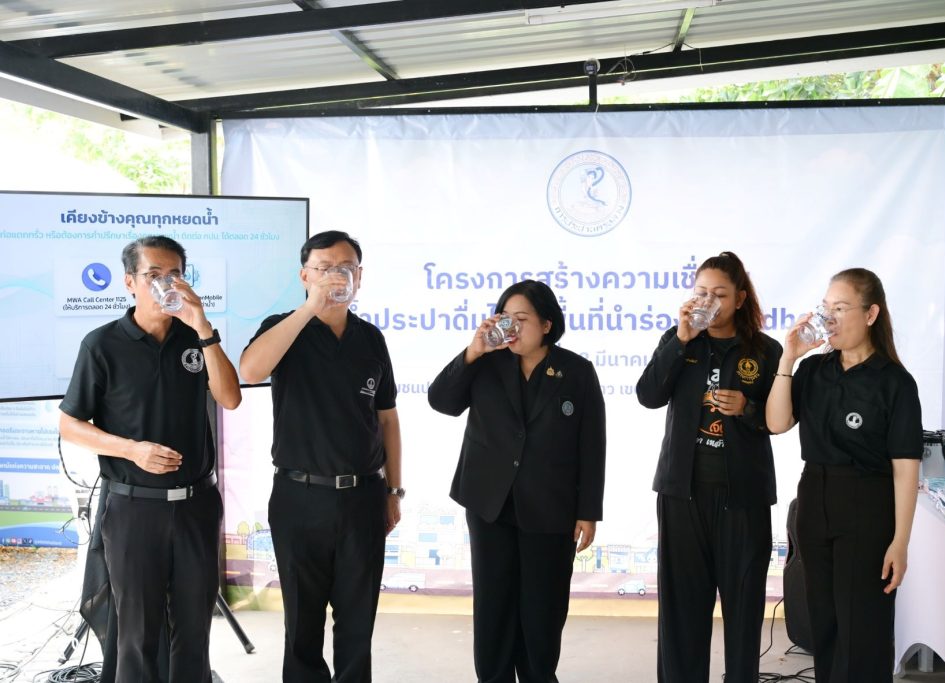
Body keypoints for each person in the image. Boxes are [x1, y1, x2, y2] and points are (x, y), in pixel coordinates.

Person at [59, 235, 242, 683]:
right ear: (129, 282)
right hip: (134, 507)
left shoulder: (195, 337)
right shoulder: (102, 344)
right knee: (137, 633)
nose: (166, 284)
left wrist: (203, 326)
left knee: (195, 629)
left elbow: (230, 398)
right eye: (153, 275)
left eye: (175, 274)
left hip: (197, 504)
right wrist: (131, 449)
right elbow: (70, 425)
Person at [239, 230, 402, 683]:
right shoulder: (283, 326)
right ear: (304, 275)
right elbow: (250, 369)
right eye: (325, 268)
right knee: (302, 621)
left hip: (363, 496)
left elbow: (387, 419)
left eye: (345, 268)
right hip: (299, 495)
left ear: (360, 276)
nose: (336, 276)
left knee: (358, 620)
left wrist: (394, 490)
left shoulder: (370, 338)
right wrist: (310, 308)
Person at [427, 279, 606, 683]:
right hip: (490, 504)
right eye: (505, 317)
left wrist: (588, 510)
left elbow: (592, 445)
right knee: (493, 606)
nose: (511, 327)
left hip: (551, 507)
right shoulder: (486, 361)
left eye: (521, 319)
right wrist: (473, 351)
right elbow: (441, 401)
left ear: (546, 324)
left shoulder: (576, 371)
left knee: (543, 610)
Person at [765, 267, 922, 683]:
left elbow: (906, 468)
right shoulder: (814, 370)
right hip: (814, 500)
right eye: (825, 308)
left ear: (870, 314)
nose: (829, 318)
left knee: (863, 625)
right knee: (825, 621)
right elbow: (777, 423)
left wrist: (900, 542)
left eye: (840, 308)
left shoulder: (894, 383)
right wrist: (788, 358)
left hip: (867, 507)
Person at [636, 251, 782, 682]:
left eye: (720, 294)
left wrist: (747, 409)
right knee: (682, 609)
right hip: (682, 493)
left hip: (744, 497)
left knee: (744, 608)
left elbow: (781, 419)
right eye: (701, 292)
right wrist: (681, 339)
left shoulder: (765, 351)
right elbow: (648, 395)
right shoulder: (678, 339)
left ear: (739, 299)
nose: (709, 302)